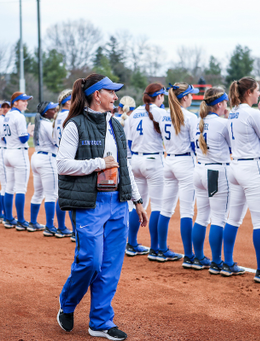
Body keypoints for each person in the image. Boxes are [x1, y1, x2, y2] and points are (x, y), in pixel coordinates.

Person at [56, 74, 147, 340]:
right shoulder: (75, 125)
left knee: (110, 265)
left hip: (117, 203)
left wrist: (137, 199)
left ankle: (100, 321)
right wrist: (98, 163)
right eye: (112, 92)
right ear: (97, 94)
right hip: (89, 203)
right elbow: (62, 164)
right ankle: (68, 303)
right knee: (91, 261)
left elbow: (125, 165)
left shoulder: (117, 125)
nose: (116, 97)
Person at [223, 77, 260, 282]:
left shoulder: (234, 112)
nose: (258, 94)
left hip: (235, 166)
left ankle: (228, 263)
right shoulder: (251, 112)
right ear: (248, 93)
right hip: (252, 167)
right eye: (256, 91)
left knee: (233, 218)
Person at [156, 83, 199, 266]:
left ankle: (160, 249)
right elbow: (195, 145)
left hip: (169, 161)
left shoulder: (164, 115)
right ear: (184, 98)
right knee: (187, 211)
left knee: (166, 209)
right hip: (184, 162)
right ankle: (189, 256)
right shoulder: (190, 117)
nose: (192, 98)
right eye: (190, 95)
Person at [191, 88, 232, 274]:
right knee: (218, 219)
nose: (227, 105)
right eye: (225, 102)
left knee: (201, 216)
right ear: (219, 104)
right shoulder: (223, 124)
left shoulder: (197, 122)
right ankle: (216, 262)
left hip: (199, 169)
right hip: (216, 171)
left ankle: (198, 258)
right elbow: (234, 147)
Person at [125, 83, 166, 259]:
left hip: (135, 160)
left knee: (137, 204)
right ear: (159, 97)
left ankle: (131, 243)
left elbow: (127, 143)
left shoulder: (133, 114)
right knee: (158, 206)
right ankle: (156, 249)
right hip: (153, 160)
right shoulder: (160, 112)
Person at [30, 101, 73, 236]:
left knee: (38, 193)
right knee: (52, 194)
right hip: (48, 159)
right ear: (45, 112)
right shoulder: (48, 124)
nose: (54, 111)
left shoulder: (38, 123)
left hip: (37, 156)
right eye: (52, 110)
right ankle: (49, 226)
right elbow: (56, 142)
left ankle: (33, 222)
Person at [2, 92, 33, 230]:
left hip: (8, 152)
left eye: (26, 101)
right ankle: (20, 220)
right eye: (23, 101)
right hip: (18, 153)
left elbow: (4, 137)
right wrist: (29, 132)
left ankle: (8, 218)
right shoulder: (19, 116)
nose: (26, 103)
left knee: (9, 187)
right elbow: (23, 139)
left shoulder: (7, 115)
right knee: (20, 188)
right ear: (15, 102)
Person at [53, 90, 72, 240]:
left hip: (59, 155)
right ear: (67, 102)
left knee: (62, 194)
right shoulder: (69, 116)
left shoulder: (57, 116)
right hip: (70, 157)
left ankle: (60, 227)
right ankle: (76, 231)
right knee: (74, 195)